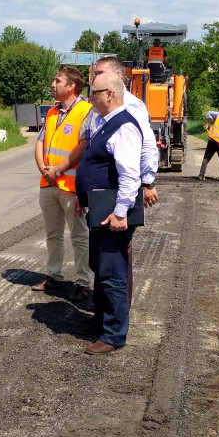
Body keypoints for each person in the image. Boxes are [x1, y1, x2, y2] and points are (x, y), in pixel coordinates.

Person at [75, 71, 143, 355]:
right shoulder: (105, 122)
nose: (90, 98)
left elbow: (130, 176)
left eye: (94, 93)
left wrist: (119, 213)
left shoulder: (123, 126)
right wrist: (84, 197)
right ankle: (101, 320)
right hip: (99, 210)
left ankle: (114, 334)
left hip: (112, 215)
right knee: (100, 267)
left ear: (110, 95)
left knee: (112, 273)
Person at [34, 66, 93, 300]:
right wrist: (44, 170)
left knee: (79, 236)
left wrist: (58, 169)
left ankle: (83, 282)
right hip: (48, 184)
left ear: (71, 86)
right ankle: (54, 276)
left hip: (71, 187)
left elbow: (83, 146)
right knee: (52, 234)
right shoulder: (51, 112)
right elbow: (40, 142)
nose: (52, 84)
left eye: (57, 80)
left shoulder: (86, 111)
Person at [92, 57, 159, 207]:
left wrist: (148, 182)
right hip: (101, 191)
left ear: (118, 76)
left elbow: (147, 144)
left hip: (117, 190)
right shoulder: (97, 106)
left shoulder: (131, 105)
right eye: (95, 73)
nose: (96, 77)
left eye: (100, 73)